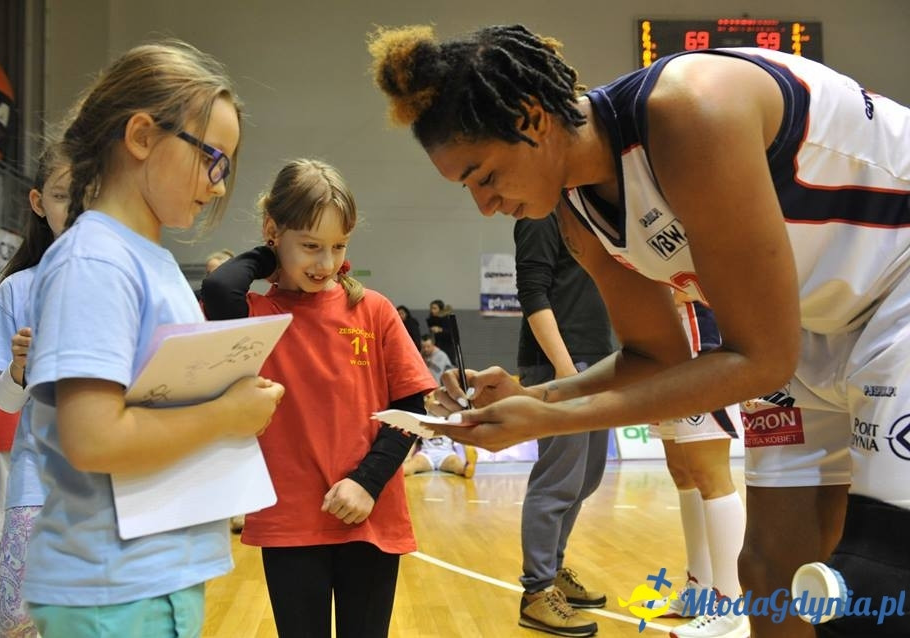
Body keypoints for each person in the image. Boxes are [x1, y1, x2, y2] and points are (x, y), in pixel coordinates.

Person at [369, 24, 910, 638]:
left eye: (484, 176)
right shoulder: (576, 208)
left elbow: (759, 359)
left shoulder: (688, 110)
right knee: (767, 572)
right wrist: (535, 396)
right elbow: (654, 355)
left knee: (878, 578)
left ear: (531, 118)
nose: (484, 205)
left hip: (898, 286)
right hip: (811, 323)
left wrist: (553, 419)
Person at [21, 40, 285, 637]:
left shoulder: (149, 259)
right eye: (213, 159)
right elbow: (93, 438)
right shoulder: (96, 261)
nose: (219, 185)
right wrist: (225, 414)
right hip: (111, 587)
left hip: (151, 576)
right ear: (142, 136)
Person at [201, 159, 437, 638]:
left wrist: (367, 484)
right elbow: (219, 287)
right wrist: (269, 255)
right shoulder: (255, 314)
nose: (326, 264)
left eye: (338, 246)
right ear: (273, 231)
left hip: (368, 515)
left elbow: (413, 409)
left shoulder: (372, 310)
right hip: (290, 521)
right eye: (310, 246)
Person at [0, 142, 70, 634]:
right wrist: (20, 368)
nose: (78, 208)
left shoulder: (125, 280)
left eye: (91, 195)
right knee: (17, 623)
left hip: (112, 486)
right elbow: (4, 400)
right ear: (38, 202)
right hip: (37, 484)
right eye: (65, 194)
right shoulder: (17, 290)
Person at [513, 215, 611, 638]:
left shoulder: (589, 211)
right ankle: (537, 591)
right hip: (560, 366)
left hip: (601, 361)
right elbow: (532, 290)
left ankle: (552, 571)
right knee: (557, 482)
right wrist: (566, 371)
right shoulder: (537, 213)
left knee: (585, 480)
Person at [649, 299, 747, 638]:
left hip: (698, 331)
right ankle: (700, 588)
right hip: (659, 342)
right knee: (682, 472)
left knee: (710, 474)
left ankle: (731, 607)